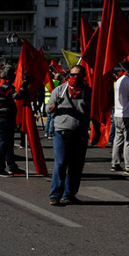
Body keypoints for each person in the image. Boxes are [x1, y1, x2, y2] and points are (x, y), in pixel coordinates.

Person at [47, 64, 91, 206]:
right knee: (60, 163)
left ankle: (69, 194)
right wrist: (57, 104)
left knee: (76, 166)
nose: (75, 78)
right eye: (72, 75)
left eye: (78, 75)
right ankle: (55, 195)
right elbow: (49, 110)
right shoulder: (60, 90)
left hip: (80, 134)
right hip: (62, 133)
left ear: (83, 77)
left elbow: (94, 113)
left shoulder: (88, 92)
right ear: (68, 76)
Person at [0, 66, 26, 177]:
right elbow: (17, 96)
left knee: (8, 143)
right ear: (7, 75)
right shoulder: (5, 86)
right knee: (4, 143)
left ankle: (11, 166)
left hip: (3, 117)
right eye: (12, 73)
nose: (14, 76)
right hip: (5, 117)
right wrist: (24, 85)